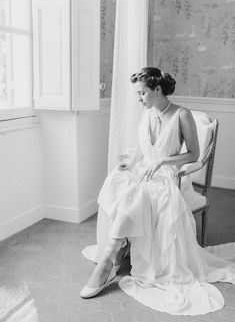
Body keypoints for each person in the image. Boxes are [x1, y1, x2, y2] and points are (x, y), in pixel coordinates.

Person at [80, 67, 235, 316]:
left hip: (170, 177)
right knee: (117, 180)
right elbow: (144, 149)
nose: (139, 98)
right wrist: (130, 162)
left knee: (139, 194)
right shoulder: (148, 113)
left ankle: (109, 259)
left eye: (142, 93)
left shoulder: (182, 115)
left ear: (158, 90)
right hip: (145, 170)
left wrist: (161, 162)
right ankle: (116, 249)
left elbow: (194, 155)